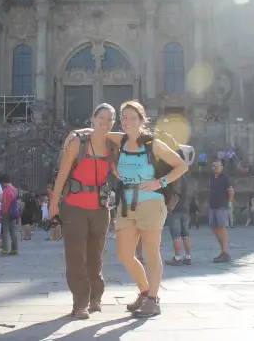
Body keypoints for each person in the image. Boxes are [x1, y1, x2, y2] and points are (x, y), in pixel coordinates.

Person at [68, 100, 188, 317]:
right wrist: (78, 133)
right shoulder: (120, 140)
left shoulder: (153, 144)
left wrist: (159, 183)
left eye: (133, 117)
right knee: (124, 254)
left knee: (151, 253)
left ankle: (153, 299)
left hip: (151, 202)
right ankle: (144, 292)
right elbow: (99, 132)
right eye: (124, 117)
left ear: (142, 120)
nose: (128, 122)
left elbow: (181, 165)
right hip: (127, 203)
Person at [50, 103, 117, 319]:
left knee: (96, 255)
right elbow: (62, 174)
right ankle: (80, 303)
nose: (105, 122)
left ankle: (95, 297)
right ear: (93, 118)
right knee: (76, 256)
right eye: (101, 117)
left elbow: (120, 172)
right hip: (74, 206)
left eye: (110, 119)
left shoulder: (112, 146)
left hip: (100, 208)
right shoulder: (78, 142)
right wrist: (53, 205)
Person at [209, 159, 234, 263]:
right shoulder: (212, 178)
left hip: (222, 207)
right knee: (214, 228)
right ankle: (224, 252)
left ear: (222, 167)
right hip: (213, 207)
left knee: (222, 228)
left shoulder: (225, 178)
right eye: (214, 166)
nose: (216, 167)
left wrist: (229, 203)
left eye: (218, 166)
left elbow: (231, 192)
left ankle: (225, 252)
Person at [165, 175, 192, 266]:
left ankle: (177, 258)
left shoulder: (174, 177)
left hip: (175, 209)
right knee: (185, 234)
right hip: (185, 208)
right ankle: (188, 257)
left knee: (176, 235)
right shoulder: (184, 177)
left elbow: (173, 192)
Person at [0, 174, 19, 256]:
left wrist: (3, 211)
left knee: (5, 231)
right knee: (13, 231)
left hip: (6, 211)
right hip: (14, 211)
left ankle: (5, 249)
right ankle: (15, 249)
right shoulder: (14, 189)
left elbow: (5, 202)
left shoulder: (6, 190)